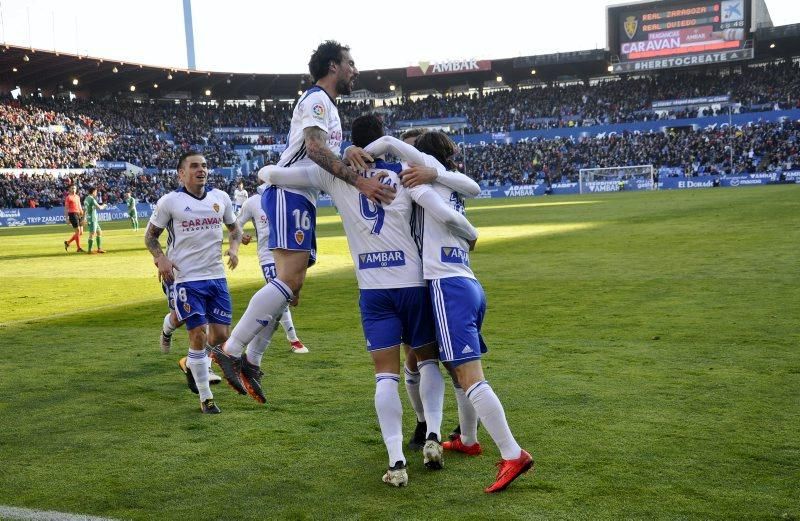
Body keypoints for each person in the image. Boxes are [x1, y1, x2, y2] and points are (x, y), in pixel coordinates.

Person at [256, 114, 479, 487]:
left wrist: (334, 156)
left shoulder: (335, 174)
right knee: (427, 362)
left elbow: (270, 175)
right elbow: (451, 193)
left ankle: (396, 463)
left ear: (350, 141)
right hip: (414, 283)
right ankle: (434, 437)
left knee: (385, 375)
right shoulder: (408, 171)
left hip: (373, 288)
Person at [212, 41, 393, 393]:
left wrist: (349, 151)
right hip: (290, 193)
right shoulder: (316, 100)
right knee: (287, 282)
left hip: (303, 196)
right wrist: (360, 182)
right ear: (332, 66)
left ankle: (251, 360)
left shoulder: (327, 106)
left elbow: (323, 150)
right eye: (350, 63)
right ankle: (230, 350)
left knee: (290, 289)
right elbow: (313, 148)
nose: (355, 70)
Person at [365, 132, 534, 493]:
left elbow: (392, 143)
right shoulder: (448, 179)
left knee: (469, 375)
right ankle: (468, 439)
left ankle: (512, 453)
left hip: (446, 286)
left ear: (421, 158)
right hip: (470, 283)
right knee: (456, 369)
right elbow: (469, 186)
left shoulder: (419, 179)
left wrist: (472, 234)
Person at [145, 151, 242, 414]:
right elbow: (150, 237)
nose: (202, 170)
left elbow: (235, 229)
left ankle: (189, 360)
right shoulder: (170, 202)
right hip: (185, 279)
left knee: (221, 336)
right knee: (197, 334)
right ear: (181, 173)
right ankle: (206, 398)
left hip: (216, 276)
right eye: (195, 166)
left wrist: (234, 249)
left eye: (205, 166)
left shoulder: (220, 198)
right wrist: (161, 258)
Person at [237, 191, 309, 358]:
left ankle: (250, 335)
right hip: (267, 255)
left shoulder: (285, 197)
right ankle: (293, 339)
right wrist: (241, 236)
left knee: (286, 294)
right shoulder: (253, 202)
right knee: (281, 295)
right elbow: (236, 223)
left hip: (287, 253)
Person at [83, 186, 107, 254]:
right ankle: (89, 250)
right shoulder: (92, 199)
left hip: (92, 219)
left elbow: (85, 209)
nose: (96, 193)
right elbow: (99, 208)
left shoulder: (86, 199)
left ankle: (99, 249)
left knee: (99, 232)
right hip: (92, 219)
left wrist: (84, 218)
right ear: (93, 192)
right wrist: (104, 206)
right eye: (96, 192)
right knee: (92, 234)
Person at [63, 184, 85, 252]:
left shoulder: (77, 197)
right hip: (72, 214)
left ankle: (68, 242)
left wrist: (82, 214)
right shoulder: (68, 197)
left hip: (79, 214)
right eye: (72, 188)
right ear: (69, 189)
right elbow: (66, 208)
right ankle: (78, 248)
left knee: (81, 232)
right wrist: (67, 218)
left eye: (75, 188)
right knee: (77, 231)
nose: (74, 190)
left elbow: (79, 206)